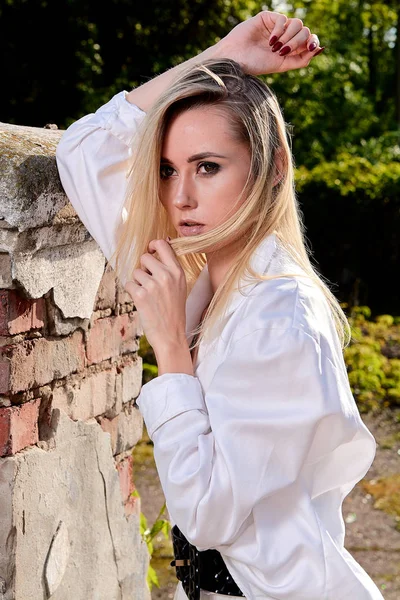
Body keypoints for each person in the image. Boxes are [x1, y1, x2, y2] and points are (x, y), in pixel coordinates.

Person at [55, 10, 385, 600]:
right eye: (165, 169)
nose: (179, 196)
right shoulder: (201, 278)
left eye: (207, 167)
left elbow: (207, 514)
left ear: (272, 166)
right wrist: (226, 54)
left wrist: (172, 352)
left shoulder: (279, 313)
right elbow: (85, 148)